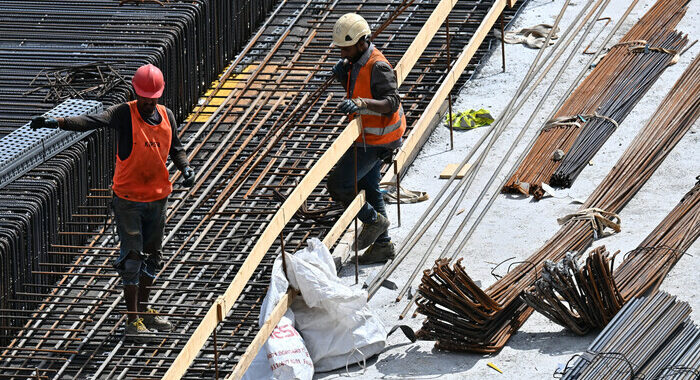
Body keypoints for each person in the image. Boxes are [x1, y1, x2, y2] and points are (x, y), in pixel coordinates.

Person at [30, 64, 195, 343]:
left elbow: (176, 148)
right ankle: (133, 321)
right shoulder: (123, 114)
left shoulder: (166, 115)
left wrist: (185, 167)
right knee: (132, 258)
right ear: (136, 93)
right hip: (128, 200)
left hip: (157, 198)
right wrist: (55, 123)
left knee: (153, 256)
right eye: (144, 97)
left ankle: (144, 311)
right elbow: (90, 121)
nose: (148, 102)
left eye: (152, 98)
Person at [326, 13, 406, 264]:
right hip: (368, 137)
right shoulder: (356, 61)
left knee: (339, 185)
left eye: (345, 48)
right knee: (370, 188)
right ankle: (383, 246)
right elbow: (359, 86)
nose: (341, 53)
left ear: (361, 43)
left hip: (377, 141)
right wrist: (343, 76)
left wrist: (360, 104)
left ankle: (373, 221)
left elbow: (392, 102)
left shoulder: (378, 66)